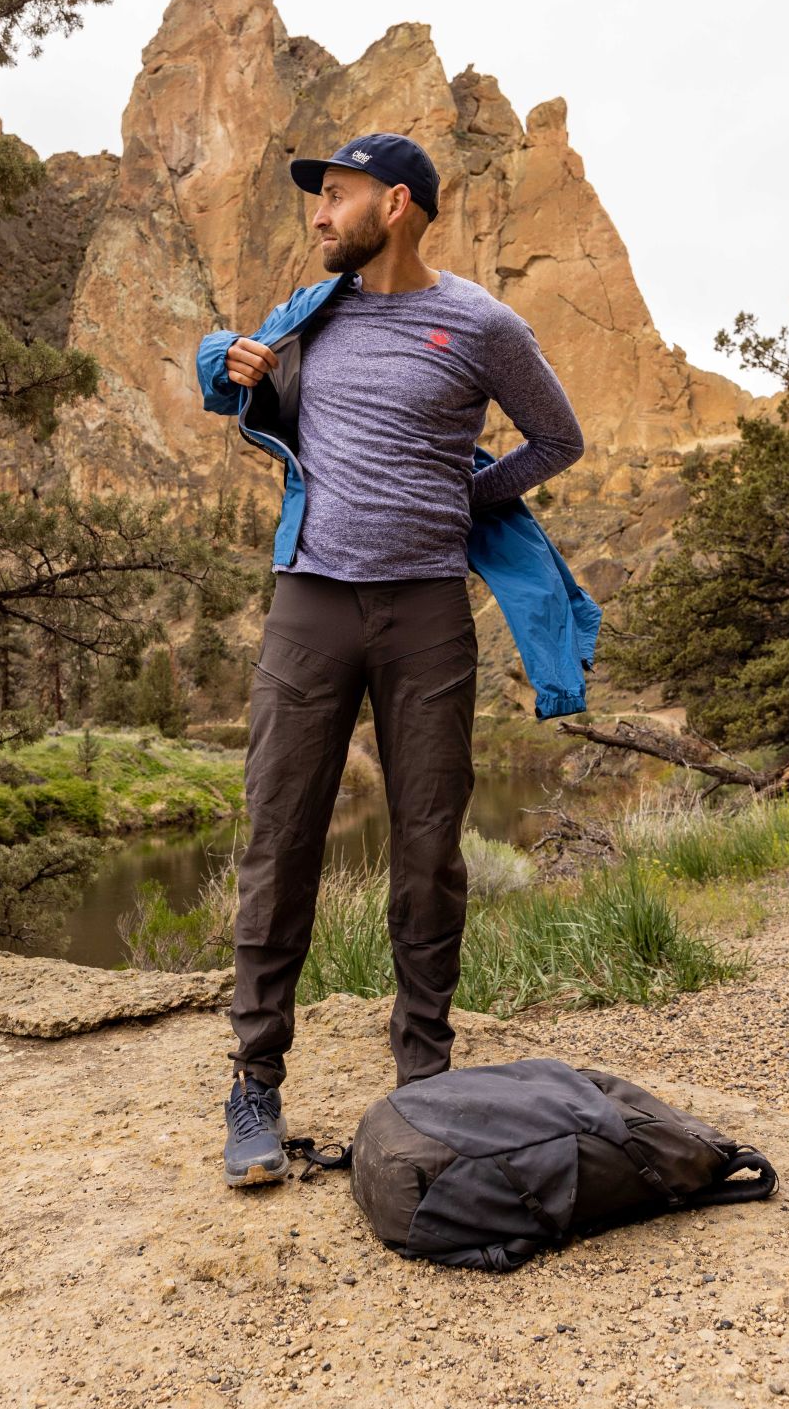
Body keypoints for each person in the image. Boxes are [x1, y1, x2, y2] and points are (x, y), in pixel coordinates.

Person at [209, 133, 586, 1186]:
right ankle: (254, 1086)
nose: (320, 215)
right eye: (316, 200)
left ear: (402, 205)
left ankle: (423, 1077)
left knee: (427, 849)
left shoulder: (481, 323)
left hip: (426, 614)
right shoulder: (312, 311)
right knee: (280, 838)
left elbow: (559, 442)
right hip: (310, 608)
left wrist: (462, 497)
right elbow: (231, 372)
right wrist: (231, 367)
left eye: (338, 196)